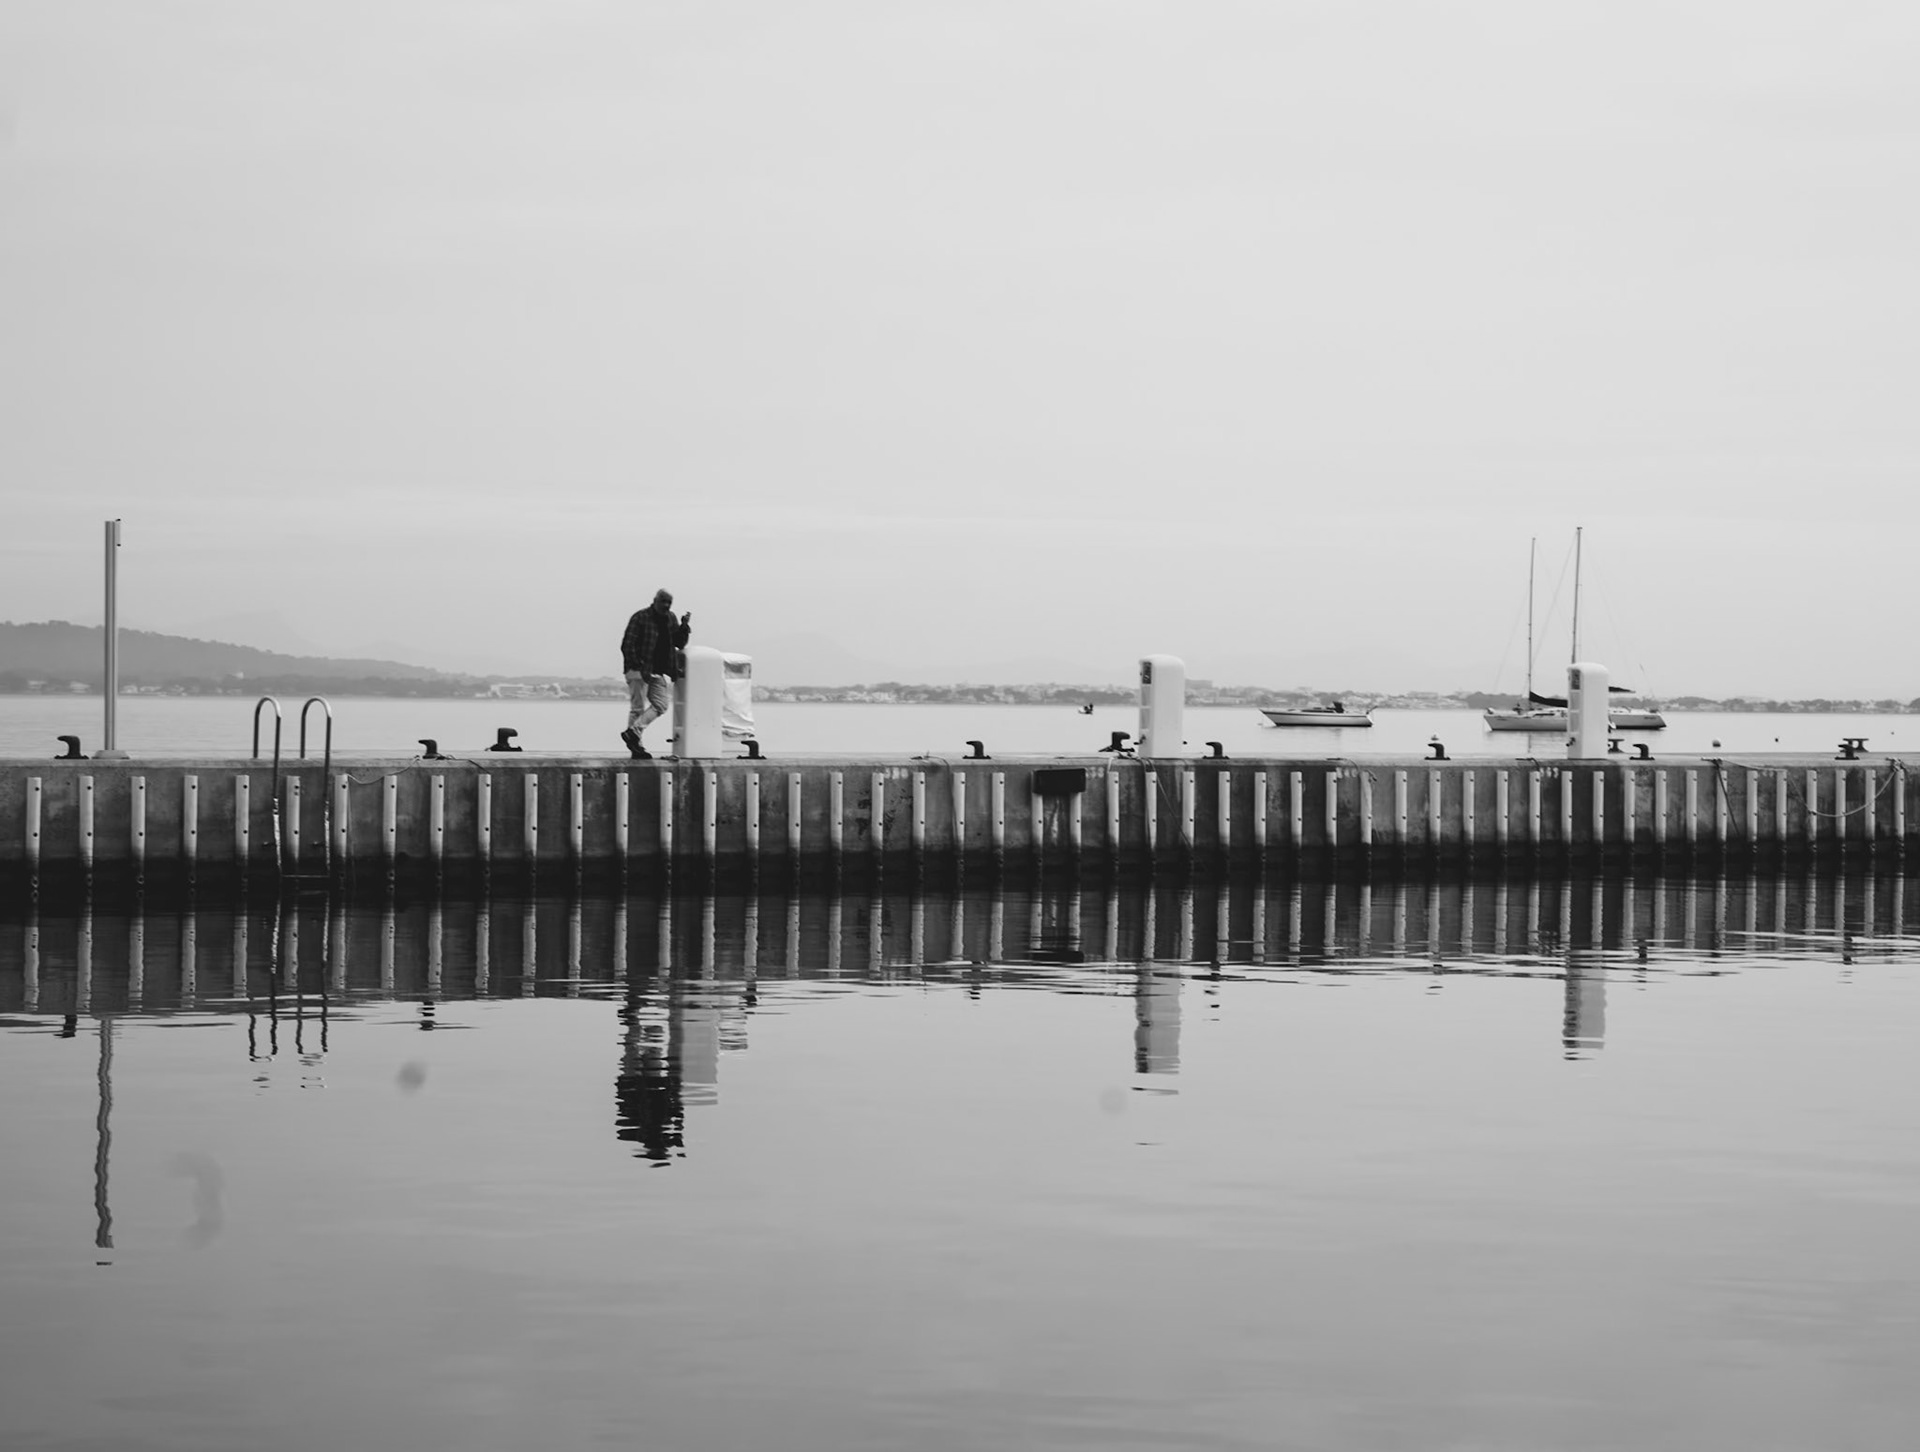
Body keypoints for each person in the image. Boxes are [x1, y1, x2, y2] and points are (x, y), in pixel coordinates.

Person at [620, 588, 691, 759]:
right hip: (638, 670)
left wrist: (684, 626)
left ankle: (633, 733)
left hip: (658, 671)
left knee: (661, 705)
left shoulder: (670, 618)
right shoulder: (641, 617)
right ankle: (636, 748)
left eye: (668, 603)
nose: (666, 605)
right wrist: (638, 664)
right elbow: (627, 644)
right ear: (655, 601)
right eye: (663, 602)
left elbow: (679, 643)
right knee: (637, 708)